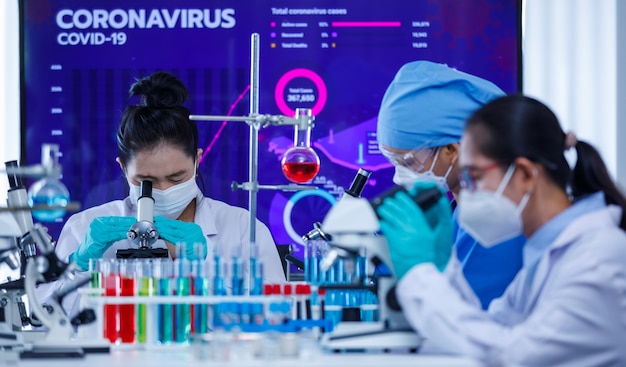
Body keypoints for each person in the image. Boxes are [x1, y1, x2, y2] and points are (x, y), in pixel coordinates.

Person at [377, 95, 626, 365]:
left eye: (474, 177)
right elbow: (487, 329)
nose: (466, 193)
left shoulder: (598, 259)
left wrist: (419, 274)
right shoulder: (546, 258)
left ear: (525, 175)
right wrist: (443, 265)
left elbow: (513, 356)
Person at [36, 71, 285, 317]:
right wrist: (78, 264)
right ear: (123, 168)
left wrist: (206, 269)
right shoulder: (84, 227)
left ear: (197, 161)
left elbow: (278, 316)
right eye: (146, 181)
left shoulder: (242, 229)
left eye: (177, 177)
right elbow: (42, 320)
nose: (164, 190)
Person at [376, 60, 525, 308]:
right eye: (394, 162)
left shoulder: (494, 219)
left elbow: (467, 320)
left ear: (450, 150)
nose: (398, 177)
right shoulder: (460, 210)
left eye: (409, 162)